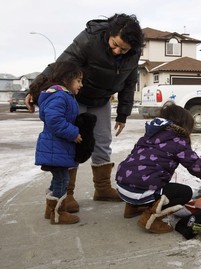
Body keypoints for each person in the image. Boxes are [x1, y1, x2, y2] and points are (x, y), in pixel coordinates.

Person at [27, 13, 145, 212]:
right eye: (114, 44)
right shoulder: (89, 39)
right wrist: (35, 88)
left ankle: (103, 188)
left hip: (101, 100)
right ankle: (67, 193)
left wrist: (123, 114)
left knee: (102, 141)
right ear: (110, 33)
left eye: (123, 49)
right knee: (72, 141)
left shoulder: (133, 54)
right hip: (75, 99)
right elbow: (60, 64)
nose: (117, 51)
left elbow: (129, 83)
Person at [115, 102, 201, 234]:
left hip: (122, 186)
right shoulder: (177, 142)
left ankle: (131, 208)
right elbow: (197, 167)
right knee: (184, 192)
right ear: (184, 126)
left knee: (144, 176)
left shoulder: (148, 136)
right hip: (140, 189)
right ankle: (151, 218)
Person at [35, 61, 83, 224]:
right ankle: (58, 213)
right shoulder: (59, 96)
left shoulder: (62, 95)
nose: (81, 85)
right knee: (63, 180)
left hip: (57, 147)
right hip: (56, 147)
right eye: (78, 81)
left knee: (59, 179)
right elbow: (54, 120)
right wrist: (73, 133)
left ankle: (51, 210)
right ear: (67, 79)